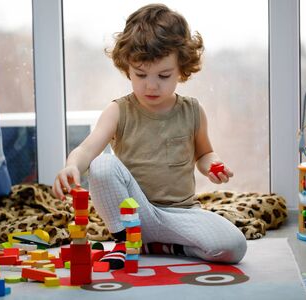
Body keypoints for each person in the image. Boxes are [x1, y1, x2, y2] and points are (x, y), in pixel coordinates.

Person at [53, 3, 247, 270]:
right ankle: (127, 240)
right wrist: (71, 166)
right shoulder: (118, 111)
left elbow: (204, 153)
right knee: (102, 165)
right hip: (133, 212)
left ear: (181, 68)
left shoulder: (192, 110)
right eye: (140, 75)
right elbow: (87, 150)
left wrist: (214, 165)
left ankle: (155, 244)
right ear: (127, 68)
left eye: (164, 76)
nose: (151, 85)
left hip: (180, 215)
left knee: (233, 246)